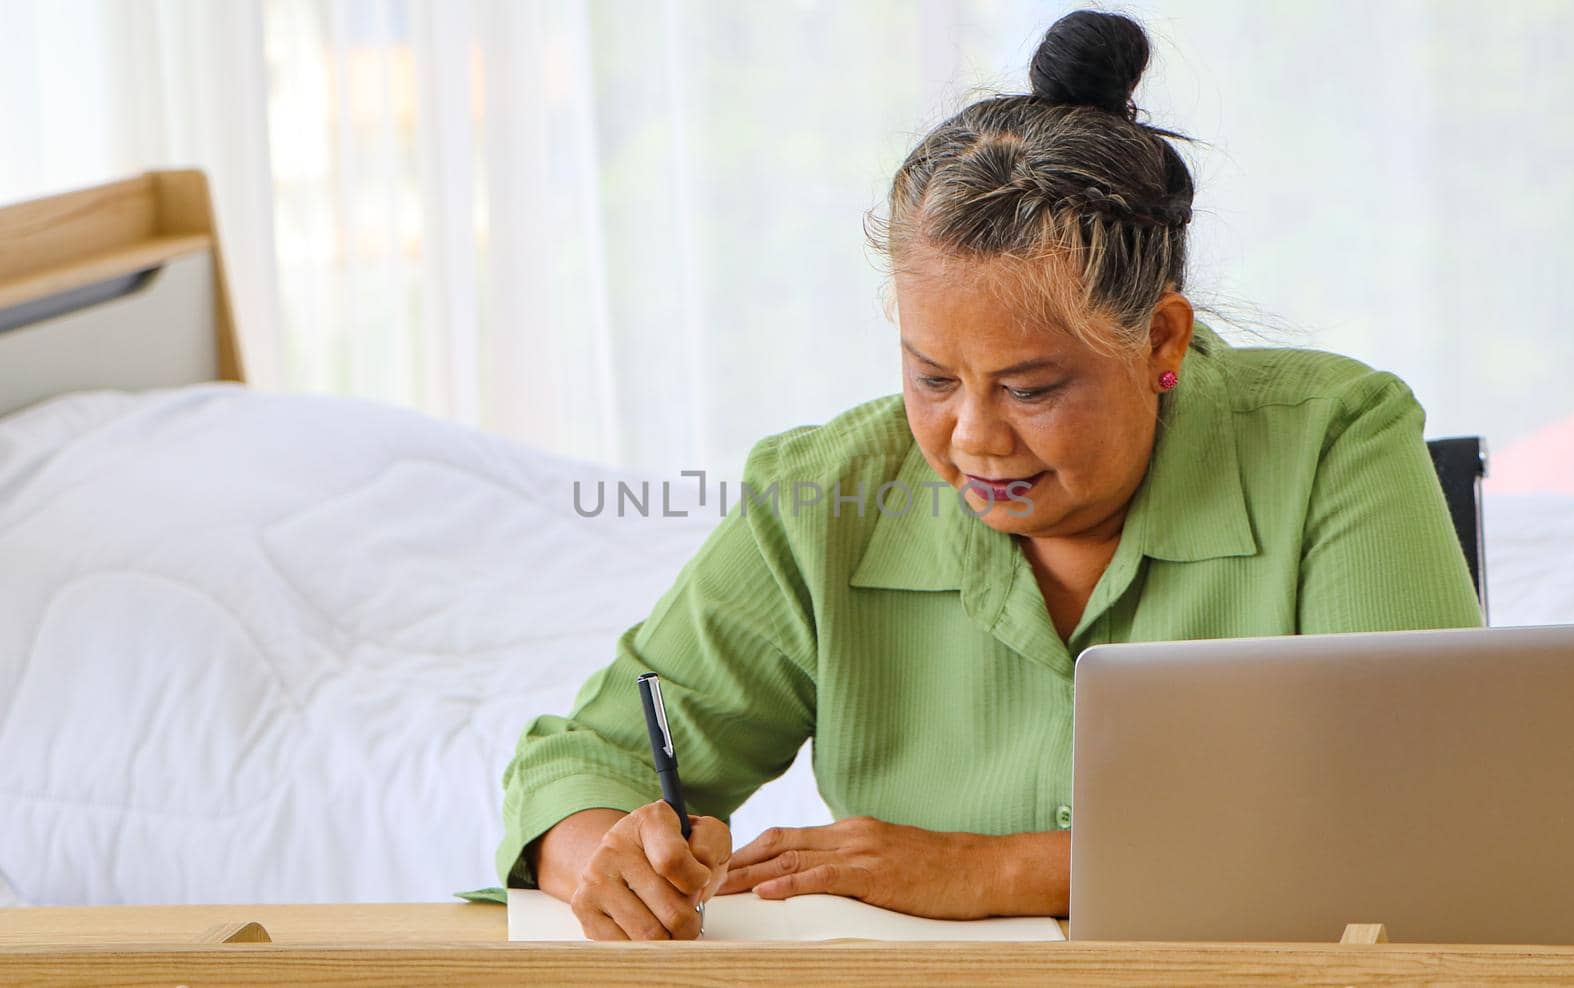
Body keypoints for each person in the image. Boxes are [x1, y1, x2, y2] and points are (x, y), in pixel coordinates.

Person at [494, 9, 1482, 941]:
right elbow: (584, 761)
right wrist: (605, 860)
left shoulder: (1337, 443)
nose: (970, 437)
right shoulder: (825, 496)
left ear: (1160, 341)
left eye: (1032, 386)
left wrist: (997, 868)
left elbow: (1417, 814)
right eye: (931, 377)